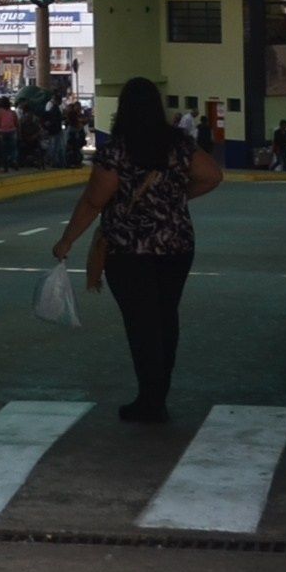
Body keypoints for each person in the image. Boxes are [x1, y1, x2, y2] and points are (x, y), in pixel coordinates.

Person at [51, 76, 224, 423]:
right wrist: (177, 198)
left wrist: (67, 239)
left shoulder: (116, 150)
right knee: (165, 317)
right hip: (176, 246)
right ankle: (158, 394)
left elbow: (94, 201)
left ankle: (150, 400)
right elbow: (212, 175)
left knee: (141, 323)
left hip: (130, 251)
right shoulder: (179, 144)